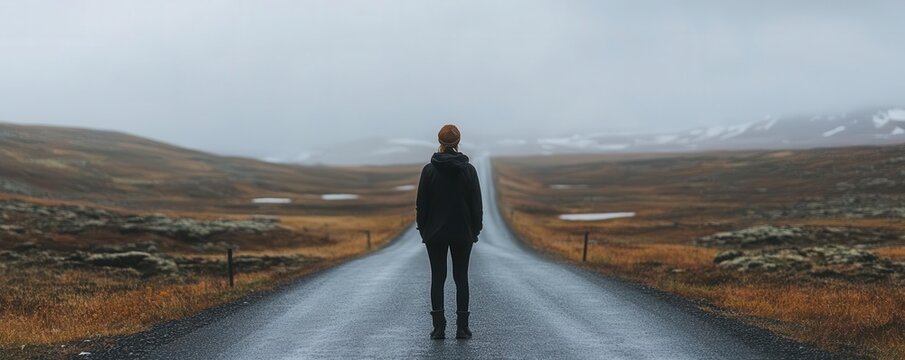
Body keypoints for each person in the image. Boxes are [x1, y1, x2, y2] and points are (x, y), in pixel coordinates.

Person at [415, 124, 483, 340]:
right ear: (457, 142)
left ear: (440, 142)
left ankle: (438, 328)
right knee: (461, 278)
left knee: (438, 277)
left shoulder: (429, 170)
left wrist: (424, 230)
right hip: (463, 233)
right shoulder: (469, 170)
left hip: (434, 234)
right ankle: (462, 328)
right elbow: (477, 205)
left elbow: (421, 205)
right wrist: (475, 230)